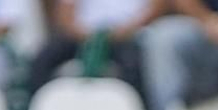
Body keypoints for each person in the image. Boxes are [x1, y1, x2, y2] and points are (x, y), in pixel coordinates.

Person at [28, 0, 161, 103]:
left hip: (129, 36)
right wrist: (89, 36)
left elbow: (156, 8)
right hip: (82, 36)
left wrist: (121, 32)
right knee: (43, 60)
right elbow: (65, 14)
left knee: (136, 65)